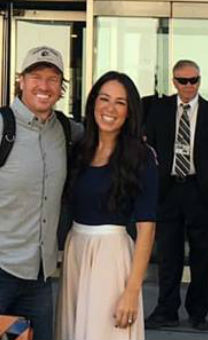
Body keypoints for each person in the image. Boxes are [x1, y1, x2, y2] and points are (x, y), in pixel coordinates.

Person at [0, 46, 81, 340]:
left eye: (52, 79)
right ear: (21, 81)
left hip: (39, 277)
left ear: (61, 89)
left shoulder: (65, 131)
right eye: (36, 76)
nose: (44, 86)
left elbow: (104, 138)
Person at [56, 71, 158, 340]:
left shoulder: (141, 157)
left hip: (111, 258)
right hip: (76, 250)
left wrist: (132, 291)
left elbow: (147, 231)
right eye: (104, 99)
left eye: (120, 102)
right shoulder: (79, 149)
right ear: (93, 104)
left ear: (129, 112)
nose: (110, 108)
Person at [144, 60, 208, 331]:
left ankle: (198, 312)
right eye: (183, 81)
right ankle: (166, 310)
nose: (189, 86)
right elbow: (148, 148)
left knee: (201, 255)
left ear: (200, 80)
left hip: (200, 191)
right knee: (168, 255)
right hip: (168, 190)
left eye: (194, 80)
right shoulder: (158, 110)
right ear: (174, 82)